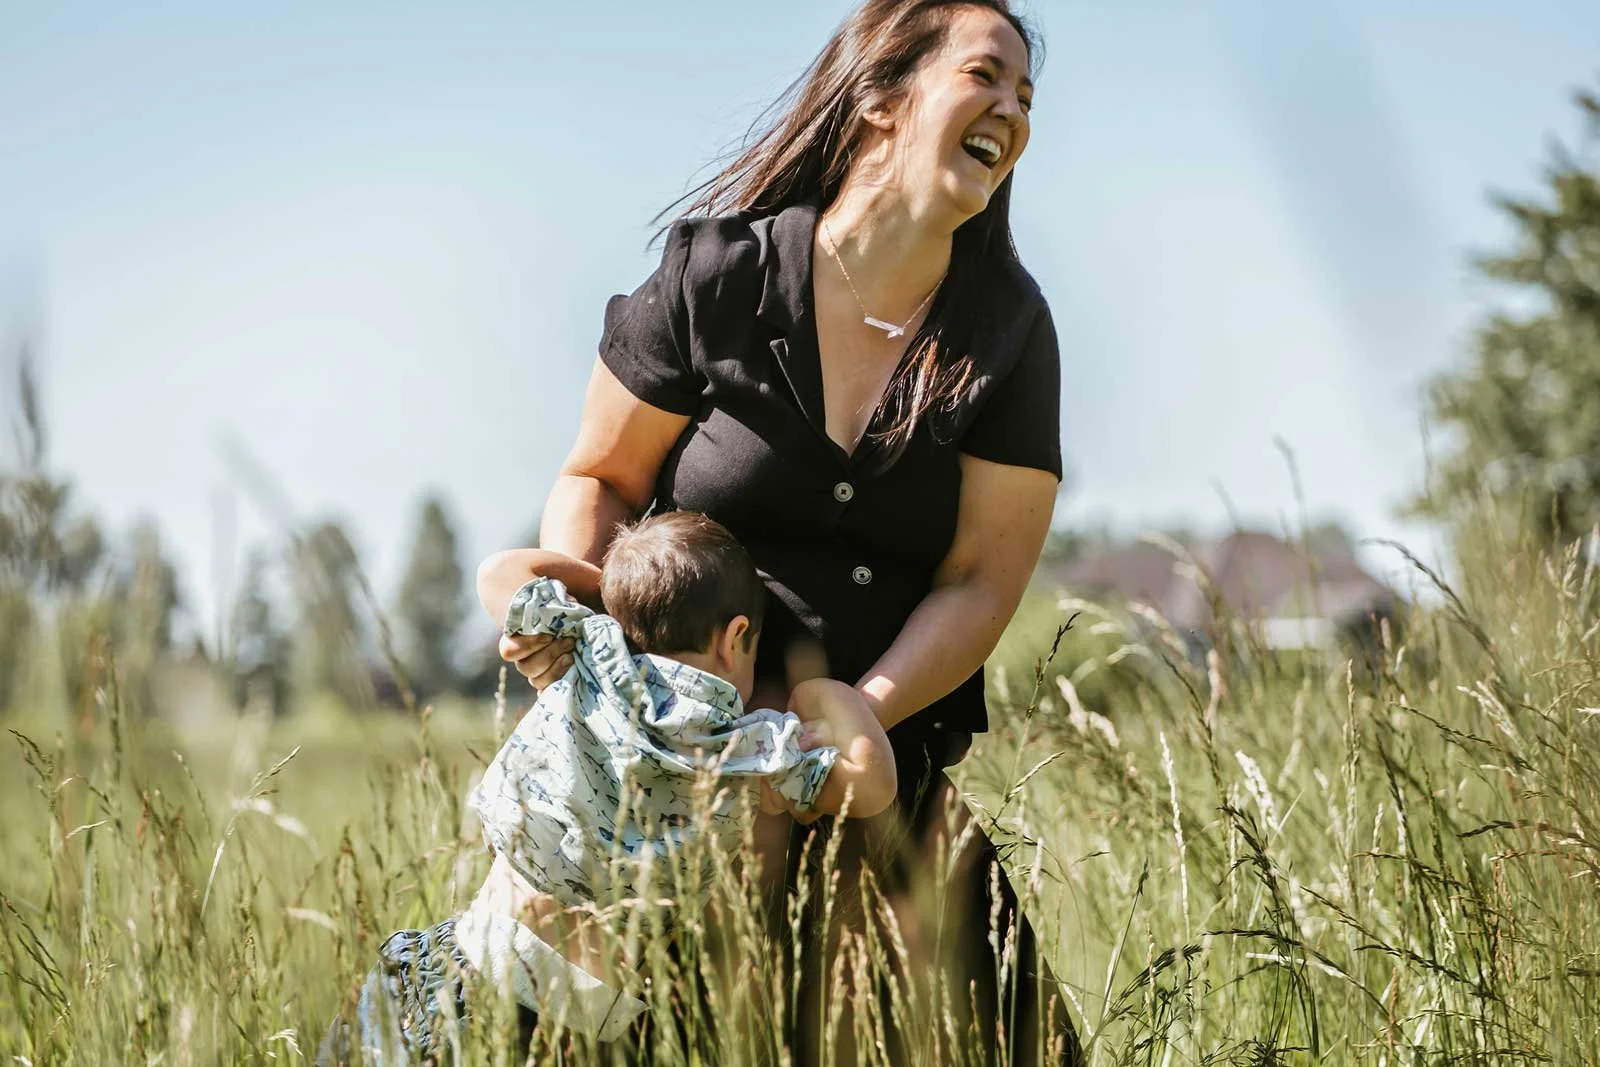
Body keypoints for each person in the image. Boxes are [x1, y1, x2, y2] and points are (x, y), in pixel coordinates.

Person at [498, 1, 1081, 1062]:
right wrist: (603, 669)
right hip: (669, 781)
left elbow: (978, 580)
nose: (1012, 110)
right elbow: (601, 477)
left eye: (1026, 96)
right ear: (878, 101)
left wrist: (861, 712)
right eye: (984, 77)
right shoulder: (716, 279)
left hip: (863, 774)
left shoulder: (1008, 331)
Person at [320, 512, 896, 1064]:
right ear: (736, 636)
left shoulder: (588, 654)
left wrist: (616, 592)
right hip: (579, 1026)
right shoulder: (749, 752)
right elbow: (870, 788)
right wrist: (827, 695)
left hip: (467, 960)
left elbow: (497, 571)